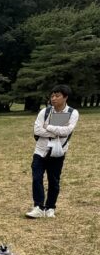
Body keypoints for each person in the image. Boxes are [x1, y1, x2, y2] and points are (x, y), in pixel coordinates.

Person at [26, 85, 79, 219]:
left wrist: (48, 127)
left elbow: (67, 131)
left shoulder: (72, 113)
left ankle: (50, 207)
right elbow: (37, 130)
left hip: (57, 152)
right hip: (40, 150)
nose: (53, 98)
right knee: (37, 178)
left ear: (65, 97)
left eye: (57, 96)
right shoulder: (45, 112)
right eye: (52, 96)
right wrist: (56, 131)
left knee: (54, 180)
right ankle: (38, 207)